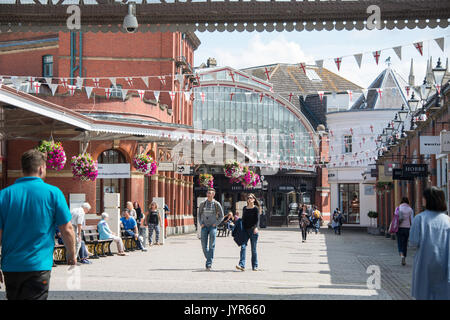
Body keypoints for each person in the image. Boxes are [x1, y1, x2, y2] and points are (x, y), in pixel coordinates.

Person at [0, 149, 76, 300]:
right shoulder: (53, 193)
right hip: (38, 265)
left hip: (11, 266)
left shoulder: (4, 195)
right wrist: (71, 254)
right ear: (41, 168)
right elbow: (67, 229)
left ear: (23, 168)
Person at [409, 187, 450, 300]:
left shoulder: (419, 219)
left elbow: (413, 242)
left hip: (424, 264)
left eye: (423, 197)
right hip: (444, 265)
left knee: (424, 293)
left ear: (428, 200)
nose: (422, 200)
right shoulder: (448, 220)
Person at [198, 188, 224, 270]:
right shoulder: (203, 204)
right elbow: (199, 214)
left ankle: (208, 263)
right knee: (203, 245)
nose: (209, 194)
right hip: (204, 227)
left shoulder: (217, 204)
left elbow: (222, 216)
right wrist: (201, 223)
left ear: (213, 195)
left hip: (213, 227)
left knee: (211, 245)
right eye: (208, 193)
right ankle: (209, 257)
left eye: (210, 193)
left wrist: (215, 224)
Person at [236, 193, 260, 272]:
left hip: (253, 230)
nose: (249, 199)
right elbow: (243, 219)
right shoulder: (244, 208)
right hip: (245, 231)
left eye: (251, 198)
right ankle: (241, 265)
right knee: (243, 247)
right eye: (248, 198)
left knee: (253, 249)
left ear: (254, 199)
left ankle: (255, 266)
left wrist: (256, 228)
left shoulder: (256, 208)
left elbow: (257, 220)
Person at [396, 197, 413, 266]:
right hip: (407, 228)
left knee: (399, 242)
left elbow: (395, 217)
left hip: (399, 227)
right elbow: (412, 219)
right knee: (405, 243)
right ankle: (404, 257)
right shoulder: (410, 209)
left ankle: (401, 254)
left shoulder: (398, 208)